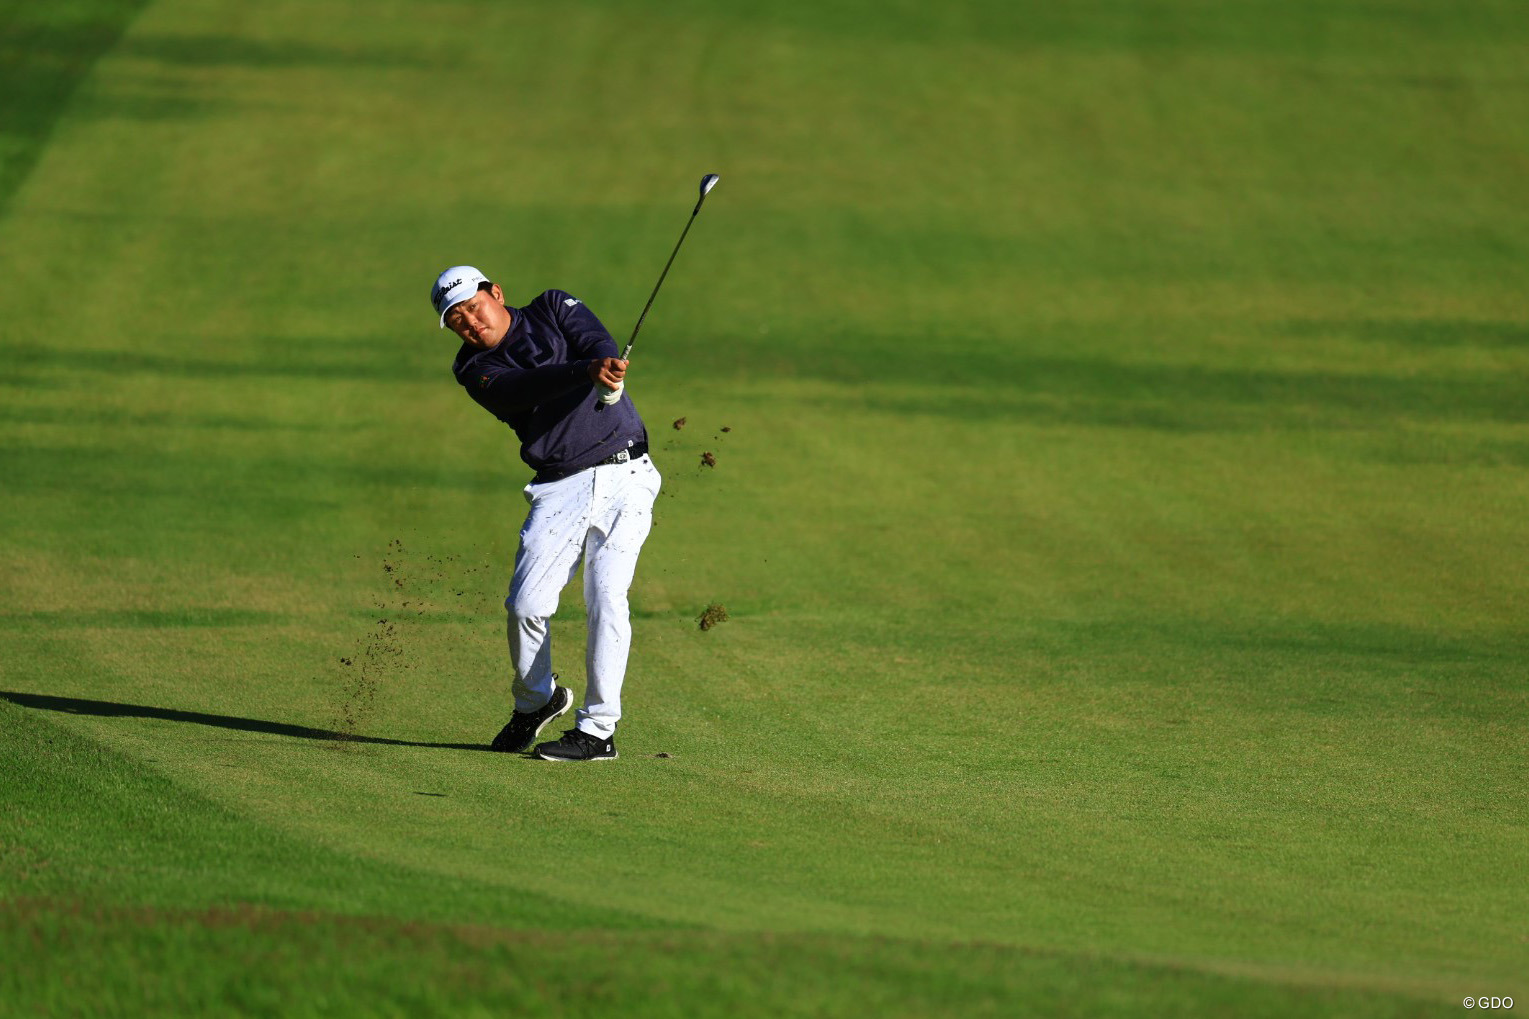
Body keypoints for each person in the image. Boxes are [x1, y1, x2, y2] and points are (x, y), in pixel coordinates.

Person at [430, 265, 661, 762]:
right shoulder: (472, 370)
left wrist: (604, 362)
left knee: (607, 596)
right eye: (456, 320)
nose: (470, 323)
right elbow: (524, 390)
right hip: (559, 487)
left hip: (627, 475)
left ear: (496, 293)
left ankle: (598, 730)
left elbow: (595, 337)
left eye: (473, 307)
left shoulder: (551, 307)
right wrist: (585, 372)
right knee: (525, 606)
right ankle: (538, 700)